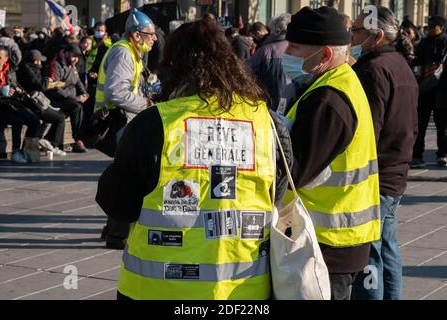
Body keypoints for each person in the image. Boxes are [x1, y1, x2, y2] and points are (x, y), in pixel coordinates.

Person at [96, 18, 292, 300]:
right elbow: (277, 193)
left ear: (173, 67)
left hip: (157, 289)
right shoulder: (267, 123)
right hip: (244, 290)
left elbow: (118, 203)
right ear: (232, 64)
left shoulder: (155, 123)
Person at [283, 6, 380, 300]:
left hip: (328, 245)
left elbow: (295, 171)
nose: (286, 52)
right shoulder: (339, 81)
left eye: (294, 47)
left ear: (324, 55)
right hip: (336, 241)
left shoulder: (328, 100)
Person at [349, 6, 419, 300]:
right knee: (387, 247)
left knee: (370, 255)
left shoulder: (372, 69)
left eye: (356, 32)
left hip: (376, 175)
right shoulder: (398, 64)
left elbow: (367, 133)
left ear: (375, 36)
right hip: (395, 172)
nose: (351, 37)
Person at [95, 8, 157, 250]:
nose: (153, 38)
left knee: (124, 173)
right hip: (119, 121)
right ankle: (117, 234)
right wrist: (147, 104)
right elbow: (115, 92)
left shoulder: (132, 52)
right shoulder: (123, 53)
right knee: (128, 176)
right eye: (149, 34)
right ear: (135, 34)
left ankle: (113, 228)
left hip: (124, 120)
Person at [411, 16, 447, 168]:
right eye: (430, 25)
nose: (431, 27)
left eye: (434, 25)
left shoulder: (445, 42)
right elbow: (416, 62)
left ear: (442, 27)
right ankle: (417, 155)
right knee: (420, 125)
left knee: (442, 125)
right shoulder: (424, 42)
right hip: (424, 90)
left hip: (442, 90)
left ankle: (443, 154)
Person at [17, 49, 67, 157]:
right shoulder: (30, 70)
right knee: (60, 117)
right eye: (39, 61)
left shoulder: (25, 68)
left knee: (53, 117)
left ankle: (46, 142)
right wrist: (46, 79)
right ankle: (52, 143)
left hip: (33, 103)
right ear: (35, 61)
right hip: (33, 104)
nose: (41, 63)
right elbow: (40, 86)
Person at [0, 46, 41, 163]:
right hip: (0, 106)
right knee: (18, 120)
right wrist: (0, 91)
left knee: (35, 119)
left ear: (6, 58)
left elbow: (14, 84)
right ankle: (16, 151)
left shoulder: (9, 70)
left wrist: (16, 90)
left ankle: (26, 150)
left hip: (12, 103)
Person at [45, 44, 88, 153]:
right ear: (66, 53)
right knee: (76, 107)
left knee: (82, 106)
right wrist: (75, 97)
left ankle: (52, 141)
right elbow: (55, 88)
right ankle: (77, 139)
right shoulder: (56, 64)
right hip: (56, 97)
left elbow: (77, 81)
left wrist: (84, 94)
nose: (75, 60)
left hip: (69, 97)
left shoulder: (71, 64)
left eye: (77, 57)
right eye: (74, 56)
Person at [248, 13, 291, 110]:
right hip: (294, 108)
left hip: (268, 107)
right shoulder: (301, 50)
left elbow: (247, 76)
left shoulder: (264, 51)